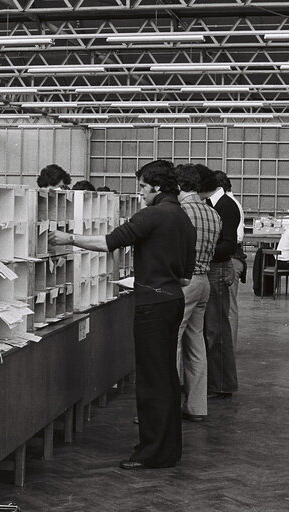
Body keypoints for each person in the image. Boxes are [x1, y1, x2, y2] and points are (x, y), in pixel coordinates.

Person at [49, 160, 195, 469]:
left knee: (151, 380)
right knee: (166, 377)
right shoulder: (183, 218)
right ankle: (167, 449)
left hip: (151, 305)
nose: (140, 193)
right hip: (172, 301)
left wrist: (69, 239)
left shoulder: (152, 215)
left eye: (142, 186)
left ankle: (151, 453)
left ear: (156, 187)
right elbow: (184, 276)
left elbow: (108, 243)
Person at [173, 164, 222, 422]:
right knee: (196, 344)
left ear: (179, 186)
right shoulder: (213, 214)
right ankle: (196, 406)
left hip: (184, 283)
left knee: (171, 343)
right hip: (204, 282)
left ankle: (166, 406)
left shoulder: (180, 212)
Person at [197, 164, 240, 400]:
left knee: (217, 330)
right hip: (212, 268)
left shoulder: (226, 206)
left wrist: (203, 252)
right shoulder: (215, 205)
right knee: (210, 330)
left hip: (218, 269)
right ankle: (216, 382)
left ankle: (222, 385)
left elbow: (229, 245)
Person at [214, 171, 247, 351]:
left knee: (230, 307)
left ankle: (230, 348)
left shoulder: (229, 204)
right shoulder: (228, 202)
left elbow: (237, 237)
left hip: (232, 258)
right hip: (230, 256)